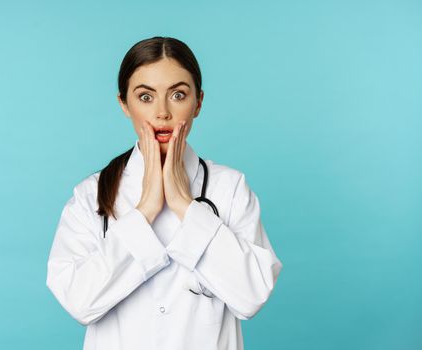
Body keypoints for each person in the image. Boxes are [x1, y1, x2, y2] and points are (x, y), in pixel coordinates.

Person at [46, 36, 283, 350]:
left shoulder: (229, 188)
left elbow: (252, 295)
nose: (162, 113)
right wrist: (145, 210)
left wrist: (185, 206)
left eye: (178, 95)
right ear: (123, 104)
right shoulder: (91, 195)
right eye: (145, 97)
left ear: (198, 102)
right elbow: (79, 302)